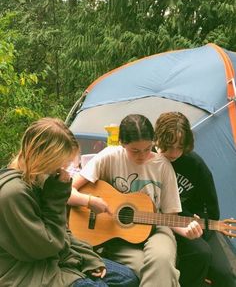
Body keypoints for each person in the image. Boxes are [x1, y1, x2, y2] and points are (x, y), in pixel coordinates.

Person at [0, 117, 139, 287]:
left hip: (53, 255)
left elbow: (62, 232)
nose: (63, 169)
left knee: (128, 278)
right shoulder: (13, 193)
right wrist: (58, 198)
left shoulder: (41, 179)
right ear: (44, 158)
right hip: (26, 270)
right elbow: (46, 247)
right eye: (61, 163)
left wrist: (88, 258)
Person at [69, 114, 203, 287]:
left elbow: (171, 215)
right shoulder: (108, 157)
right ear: (122, 143)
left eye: (147, 149)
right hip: (120, 235)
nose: (142, 156)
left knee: (162, 260)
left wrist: (187, 231)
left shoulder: (163, 166)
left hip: (157, 228)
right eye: (135, 151)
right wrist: (89, 201)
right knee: (146, 271)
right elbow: (67, 192)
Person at [154, 111, 236, 287]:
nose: (174, 152)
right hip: (157, 223)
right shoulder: (147, 158)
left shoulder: (195, 164)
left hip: (190, 223)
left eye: (180, 147)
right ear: (158, 138)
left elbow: (211, 210)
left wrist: (200, 221)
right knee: (200, 253)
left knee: (226, 274)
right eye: (169, 146)